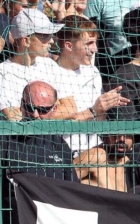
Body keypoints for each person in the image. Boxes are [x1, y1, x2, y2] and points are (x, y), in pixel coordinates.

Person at [1, 81, 77, 224]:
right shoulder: (4, 142)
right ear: (21, 105)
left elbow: (72, 202)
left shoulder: (60, 147)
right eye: (29, 107)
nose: (34, 115)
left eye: (42, 110)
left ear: (55, 109)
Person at [50, 16, 130, 154]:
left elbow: (99, 119)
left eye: (95, 42)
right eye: (89, 43)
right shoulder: (50, 74)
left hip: (95, 145)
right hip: (63, 150)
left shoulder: (93, 72)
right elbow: (51, 121)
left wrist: (107, 104)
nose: (95, 49)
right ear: (69, 46)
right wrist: (94, 110)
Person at [0, 10, 64, 119]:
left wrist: (28, 112)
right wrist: (49, 111)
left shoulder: (50, 65)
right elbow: (11, 116)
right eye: (45, 36)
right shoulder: (1, 71)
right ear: (26, 41)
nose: (51, 41)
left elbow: (70, 109)